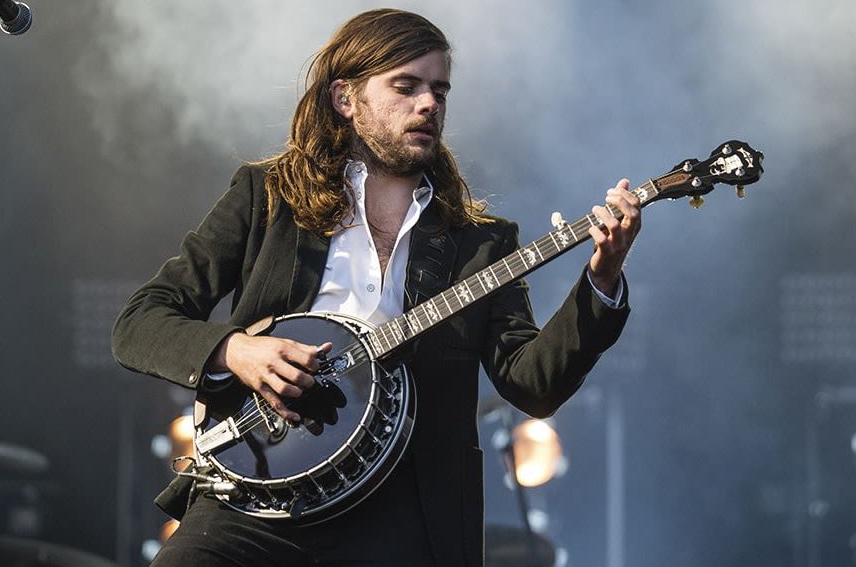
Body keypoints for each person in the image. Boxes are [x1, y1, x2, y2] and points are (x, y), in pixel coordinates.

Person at [111, 8, 641, 567]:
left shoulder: (480, 243)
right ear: (346, 99)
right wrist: (235, 350)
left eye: (439, 90)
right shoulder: (267, 197)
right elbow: (140, 321)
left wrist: (600, 280)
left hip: (401, 511)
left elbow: (533, 385)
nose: (429, 104)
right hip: (254, 494)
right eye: (406, 87)